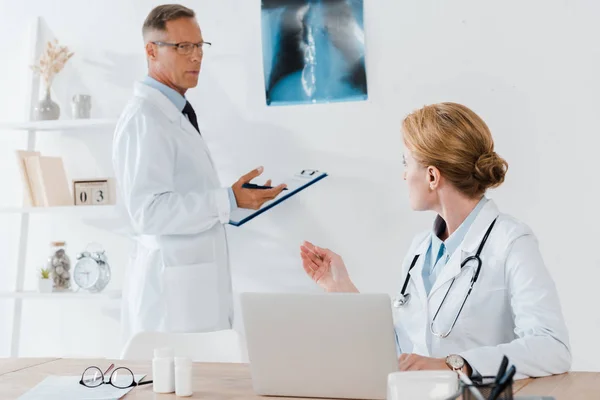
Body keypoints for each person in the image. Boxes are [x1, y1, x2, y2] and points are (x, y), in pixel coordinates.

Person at [300, 102, 571, 378]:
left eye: (406, 163)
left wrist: (456, 364)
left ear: (432, 176)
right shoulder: (420, 250)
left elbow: (551, 348)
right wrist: (341, 289)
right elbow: (404, 354)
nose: (404, 174)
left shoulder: (511, 242)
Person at [112, 4, 286, 344]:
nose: (196, 57)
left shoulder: (174, 112)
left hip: (191, 291)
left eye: (199, 46)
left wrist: (236, 200)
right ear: (151, 51)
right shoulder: (145, 118)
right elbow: (148, 213)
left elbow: (183, 196)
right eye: (183, 47)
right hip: (170, 303)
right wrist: (225, 199)